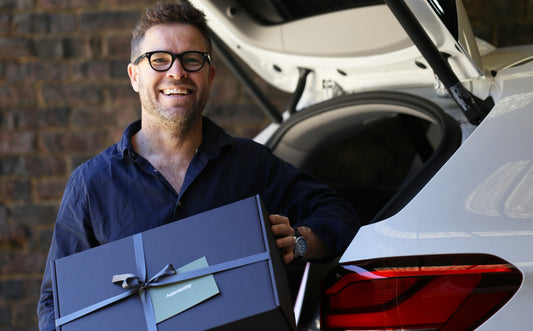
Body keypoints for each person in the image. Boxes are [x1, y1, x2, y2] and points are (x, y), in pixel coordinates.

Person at [37, 1, 359, 330]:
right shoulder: (91, 185)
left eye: (192, 60)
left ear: (210, 74)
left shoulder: (250, 164)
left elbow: (340, 216)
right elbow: (54, 304)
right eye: (159, 60)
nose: (177, 72)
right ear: (135, 76)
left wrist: (300, 242)